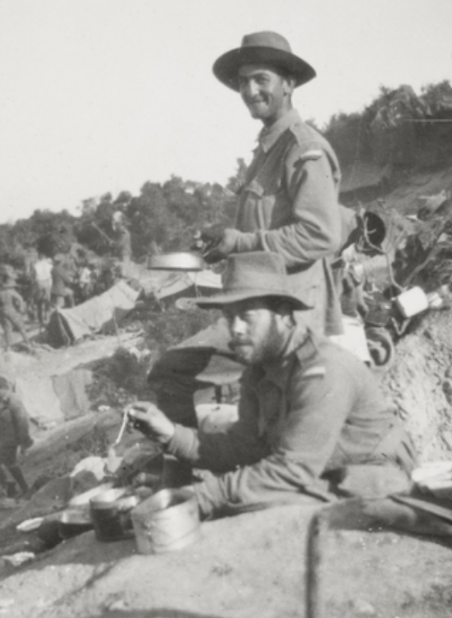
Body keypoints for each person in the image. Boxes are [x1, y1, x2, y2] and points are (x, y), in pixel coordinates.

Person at [147, 31, 360, 428]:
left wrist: (241, 241)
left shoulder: (302, 148)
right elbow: (264, 230)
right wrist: (224, 242)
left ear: (288, 84)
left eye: (261, 79)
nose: (250, 90)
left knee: (169, 371)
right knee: (255, 426)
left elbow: (320, 234)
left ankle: (181, 477)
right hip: (257, 308)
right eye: (243, 82)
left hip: (289, 316)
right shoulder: (267, 149)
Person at [128, 252, 414, 520]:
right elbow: (243, 448)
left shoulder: (323, 370)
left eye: (247, 316)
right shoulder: (259, 369)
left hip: (371, 472)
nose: (236, 329)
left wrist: (199, 497)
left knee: (255, 508)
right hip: (318, 469)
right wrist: (169, 434)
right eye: (229, 317)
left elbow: (292, 470)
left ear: (283, 314)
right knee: (242, 503)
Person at [0, 376, 34, 498]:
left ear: (3, 388)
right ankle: (23, 488)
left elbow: (22, 422)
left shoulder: (13, 400)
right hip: (5, 438)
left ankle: (9, 488)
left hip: (11, 439)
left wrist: (25, 443)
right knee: (10, 463)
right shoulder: (1, 400)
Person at [0, 275, 32, 350]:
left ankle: (9, 347)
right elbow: (20, 299)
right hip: (12, 310)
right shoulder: (12, 292)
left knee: (8, 330)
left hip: (3, 311)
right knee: (21, 327)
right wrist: (20, 308)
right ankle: (28, 343)